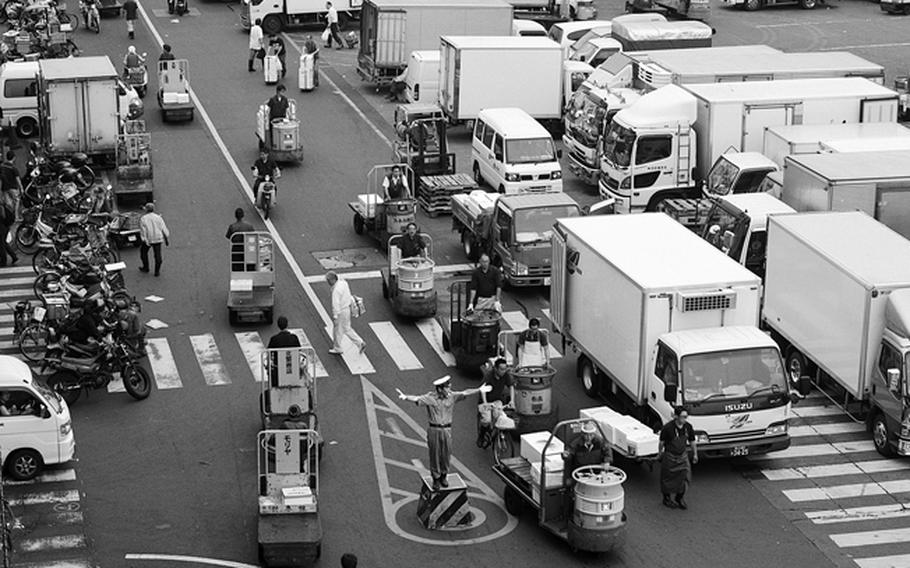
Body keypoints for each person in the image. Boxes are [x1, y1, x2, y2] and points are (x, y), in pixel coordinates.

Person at [398, 376, 490, 490]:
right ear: (440, 389)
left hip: (446, 430)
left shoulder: (452, 396)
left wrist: (478, 389)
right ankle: (436, 479)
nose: (449, 389)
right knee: (435, 454)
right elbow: (417, 399)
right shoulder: (430, 398)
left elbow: (465, 392)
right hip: (434, 430)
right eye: (447, 387)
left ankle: (443, 476)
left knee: (446, 454)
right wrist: (405, 397)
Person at [562, 421, 612, 517]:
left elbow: (607, 451)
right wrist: (565, 455)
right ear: (582, 434)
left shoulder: (600, 442)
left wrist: (607, 461)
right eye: (586, 435)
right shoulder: (576, 444)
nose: (589, 437)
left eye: (591, 435)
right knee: (576, 495)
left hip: (596, 474)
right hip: (580, 475)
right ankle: (574, 515)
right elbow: (569, 454)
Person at [659, 406, 698, 510]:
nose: (685, 419)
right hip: (670, 456)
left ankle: (679, 498)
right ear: (676, 416)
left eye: (686, 417)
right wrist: (660, 454)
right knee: (667, 478)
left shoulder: (688, 427)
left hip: (682, 456)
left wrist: (695, 454)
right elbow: (662, 443)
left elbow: (692, 441)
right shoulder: (667, 428)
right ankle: (666, 499)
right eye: (683, 417)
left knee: (685, 477)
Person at [326, 271, 366, 355]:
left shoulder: (336, 291)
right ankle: (360, 342)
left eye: (329, 280)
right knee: (347, 328)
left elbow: (335, 304)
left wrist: (335, 316)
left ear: (333, 280)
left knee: (337, 331)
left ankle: (337, 348)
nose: (328, 282)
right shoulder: (343, 283)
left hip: (341, 312)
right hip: (347, 309)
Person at [139, 202, 170, 277]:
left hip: (149, 238)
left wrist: (144, 240)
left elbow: (143, 231)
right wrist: (166, 238)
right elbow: (164, 229)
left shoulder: (143, 218)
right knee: (157, 255)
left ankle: (146, 268)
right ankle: (157, 271)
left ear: (146, 209)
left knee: (143, 253)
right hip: (158, 238)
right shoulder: (158, 218)